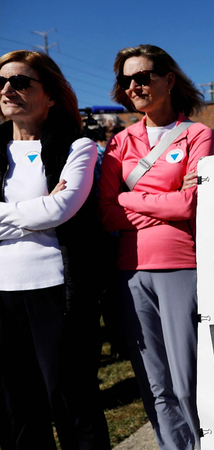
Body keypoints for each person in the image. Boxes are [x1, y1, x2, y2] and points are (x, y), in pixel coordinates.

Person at [98, 44, 214, 450]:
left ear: (169, 78)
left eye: (144, 76)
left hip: (181, 266)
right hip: (129, 272)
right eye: (127, 80)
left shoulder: (196, 134)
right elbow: (106, 214)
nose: (135, 85)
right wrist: (164, 203)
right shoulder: (119, 142)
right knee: (154, 385)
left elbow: (191, 203)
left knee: (187, 380)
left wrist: (128, 199)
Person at [0, 50, 110, 450]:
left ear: (50, 95)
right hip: (2, 297)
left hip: (57, 292)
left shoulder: (76, 146)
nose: (8, 89)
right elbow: (49, 210)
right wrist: (38, 210)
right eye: (2, 82)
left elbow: (63, 209)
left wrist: (30, 213)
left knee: (71, 403)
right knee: (18, 410)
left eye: (21, 81)